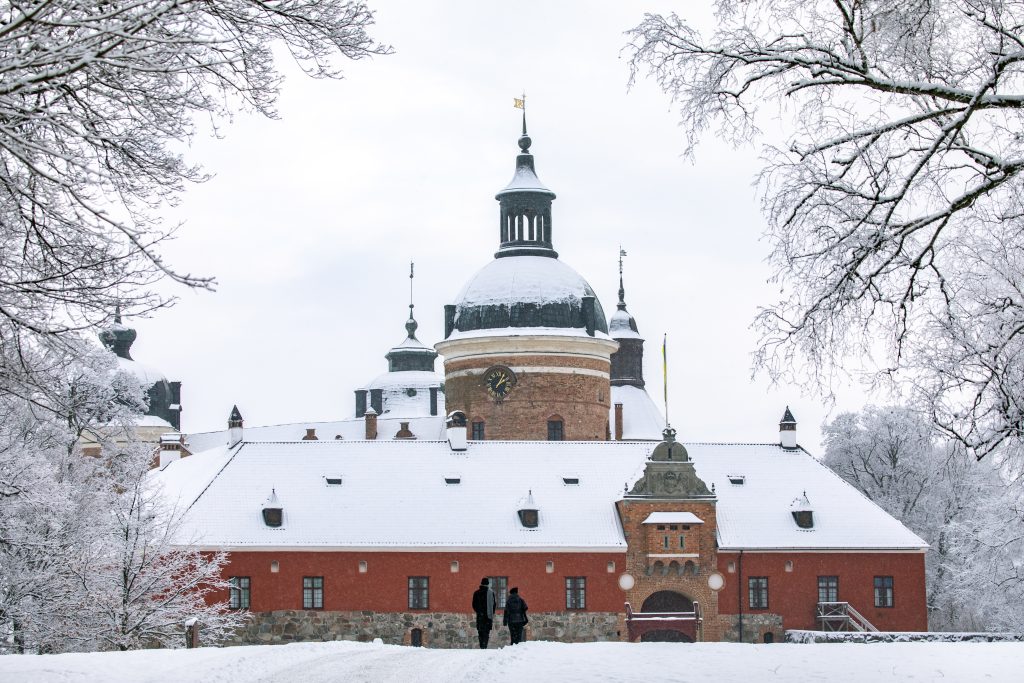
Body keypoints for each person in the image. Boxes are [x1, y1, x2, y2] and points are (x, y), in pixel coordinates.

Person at [471, 577, 497, 649]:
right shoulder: (491, 593)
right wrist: (492, 612)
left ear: (481, 583)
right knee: (486, 632)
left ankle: (481, 646)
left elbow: (473, 604)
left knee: (480, 632)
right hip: (488, 616)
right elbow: (494, 604)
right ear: (488, 584)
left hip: (480, 616)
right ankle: (484, 646)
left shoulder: (476, 593)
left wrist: (479, 611)